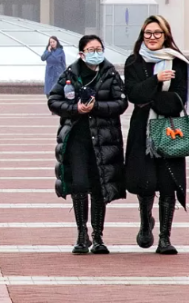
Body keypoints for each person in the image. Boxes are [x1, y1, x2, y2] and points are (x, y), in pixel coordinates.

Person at [48, 35, 127, 255]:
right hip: (77, 140)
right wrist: (76, 109)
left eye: (99, 48)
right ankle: (82, 235)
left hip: (103, 140)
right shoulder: (70, 74)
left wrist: (96, 107)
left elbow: (121, 102)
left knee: (99, 187)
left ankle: (98, 237)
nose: (96, 52)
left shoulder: (110, 73)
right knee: (79, 185)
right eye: (91, 49)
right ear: (81, 53)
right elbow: (53, 101)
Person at [125, 15, 189, 255]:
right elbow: (133, 94)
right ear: (142, 35)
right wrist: (156, 80)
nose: (152, 38)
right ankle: (145, 222)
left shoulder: (178, 63)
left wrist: (150, 96)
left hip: (170, 127)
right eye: (148, 33)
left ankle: (165, 238)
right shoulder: (134, 62)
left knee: (168, 182)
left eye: (157, 33)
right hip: (141, 130)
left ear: (166, 35)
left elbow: (177, 100)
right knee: (145, 181)